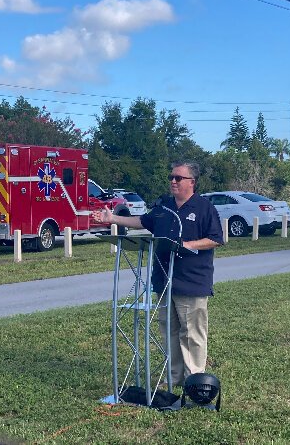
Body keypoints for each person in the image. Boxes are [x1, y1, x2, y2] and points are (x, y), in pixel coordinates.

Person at [92, 161, 223, 386]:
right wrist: (112, 219)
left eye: (178, 178)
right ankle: (173, 379)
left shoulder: (204, 208)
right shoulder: (164, 207)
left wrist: (187, 244)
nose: (173, 181)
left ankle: (195, 382)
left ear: (191, 182)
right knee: (169, 332)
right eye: (171, 177)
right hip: (164, 280)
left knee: (192, 334)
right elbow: (143, 221)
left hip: (192, 281)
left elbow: (215, 239)